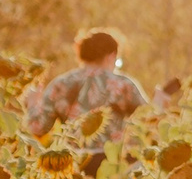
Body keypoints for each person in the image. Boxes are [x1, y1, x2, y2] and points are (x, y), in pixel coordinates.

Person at [25, 29, 148, 168]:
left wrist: (32, 102)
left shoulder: (60, 84)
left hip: (71, 165)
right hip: (110, 166)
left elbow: (38, 128)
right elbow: (149, 121)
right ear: (111, 55)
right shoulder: (122, 85)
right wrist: (161, 101)